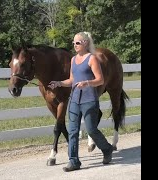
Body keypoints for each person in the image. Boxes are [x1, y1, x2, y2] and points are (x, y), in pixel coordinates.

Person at [48, 32, 114, 172]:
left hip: (89, 100)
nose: (74, 45)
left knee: (91, 129)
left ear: (85, 43)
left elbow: (100, 80)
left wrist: (87, 83)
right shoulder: (73, 60)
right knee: (72, 131)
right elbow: (72, 80)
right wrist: (59, 83)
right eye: (73, 43)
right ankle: (74, 161)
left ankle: (107, 148)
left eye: (77, 43)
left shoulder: (92, 59)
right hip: (74, 100)